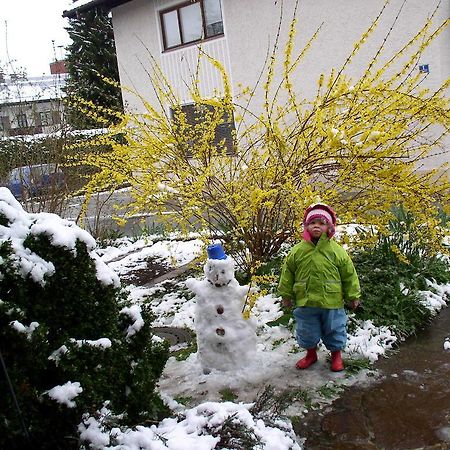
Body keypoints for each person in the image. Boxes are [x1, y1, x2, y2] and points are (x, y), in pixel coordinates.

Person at [277, 203, 361, 372]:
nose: (317, 226)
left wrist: (353, 296)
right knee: (307, 330)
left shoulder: (336, 251)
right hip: (306, 300)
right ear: (306, 226)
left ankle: (336, 355)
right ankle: (310, 354)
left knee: (335, 328)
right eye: (312, 223)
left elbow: (349, 274)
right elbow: (288, 274)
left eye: (321, 223)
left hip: (332, 301)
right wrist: (286, 295)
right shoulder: (298, 251)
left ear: (329, 227)